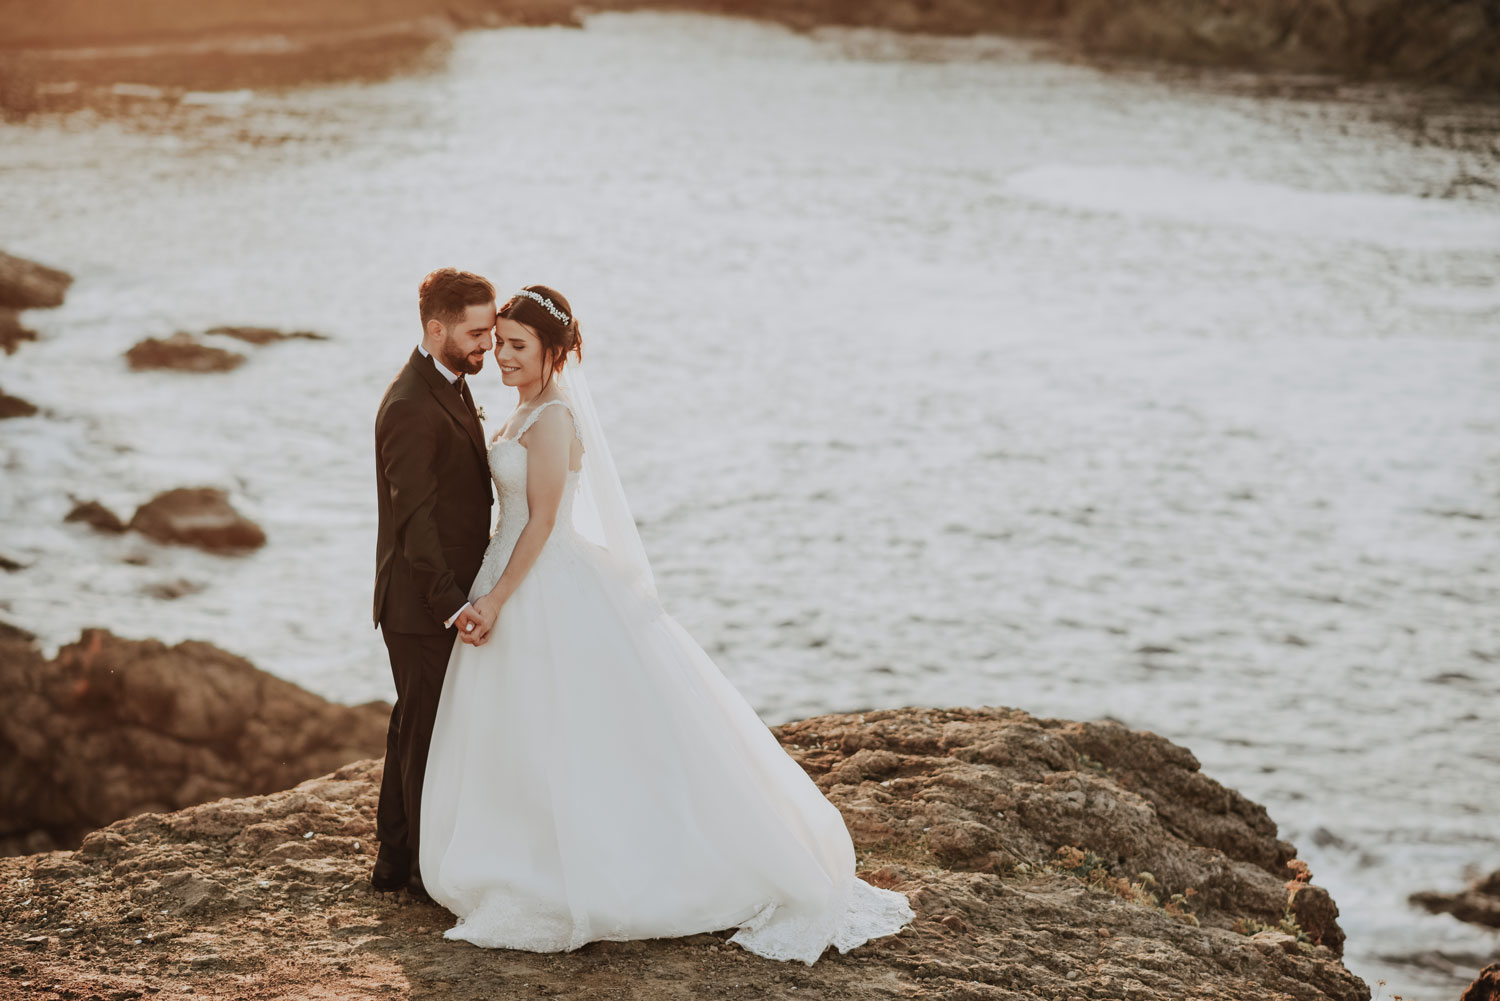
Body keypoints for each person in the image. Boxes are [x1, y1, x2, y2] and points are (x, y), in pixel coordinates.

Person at [418, 284, 914, 964]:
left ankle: (583, 861)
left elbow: (540, 523)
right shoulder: (525, 408)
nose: (500, 355)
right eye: (498, 342)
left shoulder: (554, 417)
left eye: (516, 345)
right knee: (523, 728)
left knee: (565, 726)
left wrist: (498, 598)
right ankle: (523, 845)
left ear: (554, 352)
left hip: (537, 580)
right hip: (511, 576)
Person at [370, 268, 498, 900]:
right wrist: (454, 606)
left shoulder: (447, 382)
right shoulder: (409, 406)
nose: (488, 345)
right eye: (477, 333)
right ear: (435, 327)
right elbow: (414, 525)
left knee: (413, 726)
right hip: (420, 604)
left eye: (491, 330)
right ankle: (420, 874)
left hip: (439, 594)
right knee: (425, 736)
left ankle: (395, 863)